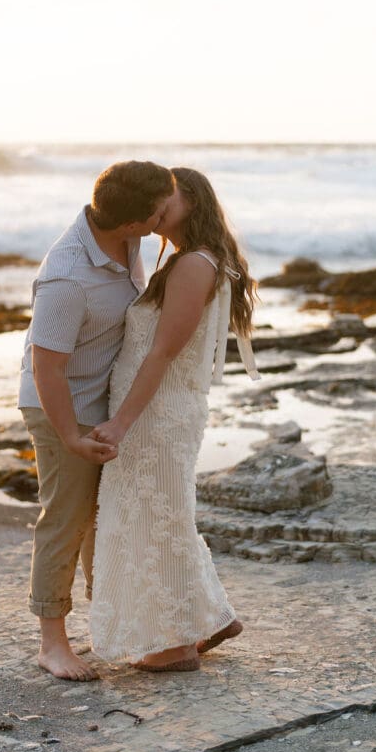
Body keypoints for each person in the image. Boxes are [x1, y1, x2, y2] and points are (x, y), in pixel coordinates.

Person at [89, 167, 261, 672]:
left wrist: (120, 422)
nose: (161, 205)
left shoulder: (194, 265)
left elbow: (162, 353)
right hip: (159, 408)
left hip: (156, 414)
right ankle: (209, 618)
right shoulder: (192, 260)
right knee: (160, 515)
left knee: (152, 519)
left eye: (171, 196)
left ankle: (175, 643)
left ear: (194, 199)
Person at [19, 160, 175, 681]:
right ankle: (52, 644)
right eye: (158, 213)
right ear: (132, 222)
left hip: (100, 404)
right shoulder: (68, 276)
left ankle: (114, 624)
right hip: (61, 405)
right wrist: (69, 435)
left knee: (106, 519)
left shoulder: (125, 240)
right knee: (67, 519)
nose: (164, 218)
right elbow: (46, 366)